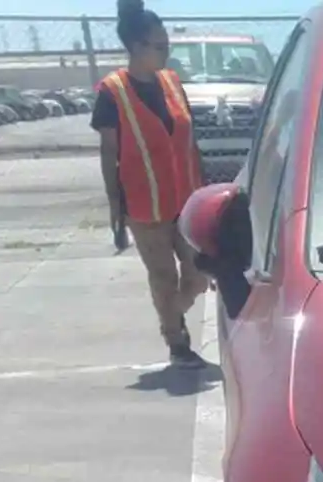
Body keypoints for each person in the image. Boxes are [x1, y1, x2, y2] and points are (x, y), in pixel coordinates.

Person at [93, 0, 209, 367]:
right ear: (137, 48)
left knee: (199, 273)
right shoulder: (112, 91)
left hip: (186, 199)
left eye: (167, 45)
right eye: (160, 47)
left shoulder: (172, 82)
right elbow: (108, 150)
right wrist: (114, 202)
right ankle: (176, 340)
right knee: (162, 276)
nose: (166, 52)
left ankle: (170, 313)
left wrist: (205, 192)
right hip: (145, 205)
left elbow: (191, 140)